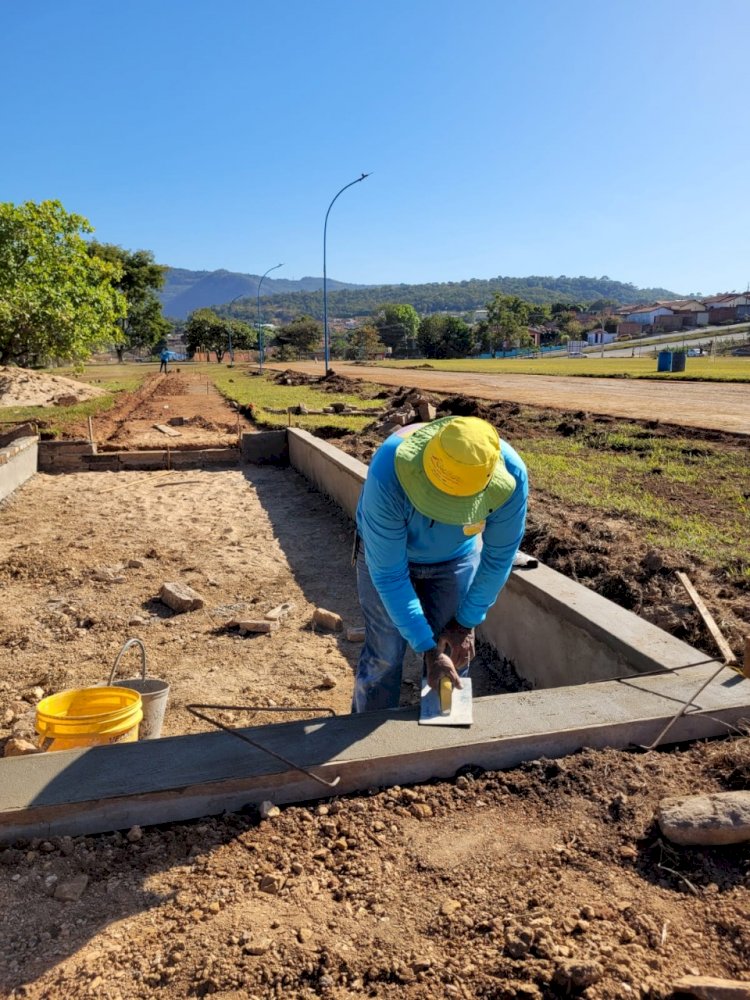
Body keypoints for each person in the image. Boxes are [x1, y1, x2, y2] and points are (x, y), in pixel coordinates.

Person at [353, 415, 528, 713]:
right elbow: (390, 576)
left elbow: (498, 558)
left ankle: (444, 735)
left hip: (455, 559)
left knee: (455, 655)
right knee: (384, 654)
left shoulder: (511, 475)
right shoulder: (389, 471)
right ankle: (366, 741)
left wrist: (465, 623)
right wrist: (426, 647)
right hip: (389, 560)